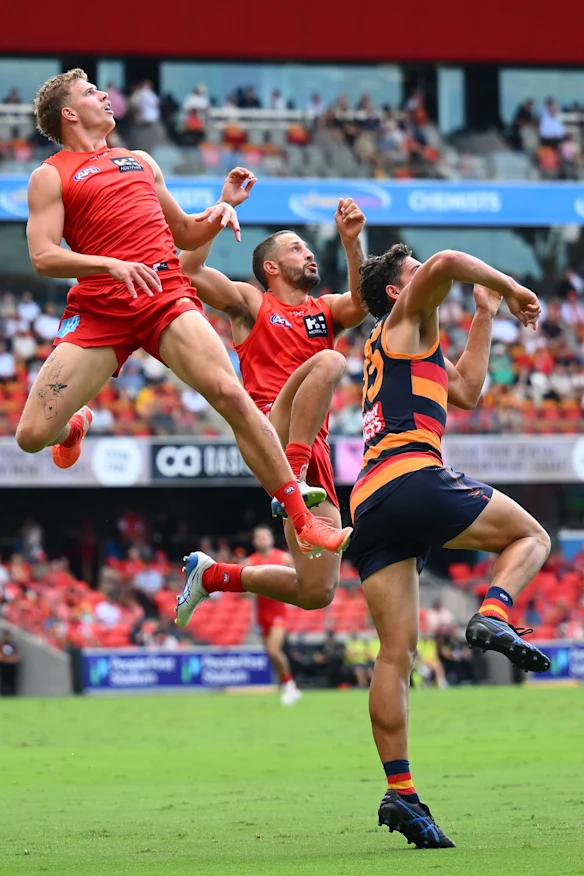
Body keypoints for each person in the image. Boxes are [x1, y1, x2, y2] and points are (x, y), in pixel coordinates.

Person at [15, 68, 350, 564]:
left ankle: (301, 517)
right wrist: (109, 263)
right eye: (90, 93)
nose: (105, 95)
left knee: (231, 396)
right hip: (102, 309)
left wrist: (220, 208)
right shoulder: (51, 174)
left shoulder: (141, 161)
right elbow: (43, 256)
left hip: (164, 295)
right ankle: (74, 425)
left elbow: (187, 235)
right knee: (31, 437)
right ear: (68, 113)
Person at [351, 243, 551, 849]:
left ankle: (402, 794)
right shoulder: (404, 317)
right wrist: (513, 287)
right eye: (408, 276)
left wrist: (486, 313)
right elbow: (442, 262)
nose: (424, 280)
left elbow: (465, 390)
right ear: (396, 292)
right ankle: (493, 614)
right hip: (411, 474)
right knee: (531, 536)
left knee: (395, 655)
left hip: (370, 501)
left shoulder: (408, 343)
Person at [175, 194, 366, 625]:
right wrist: (213, 219)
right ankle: (293, 480)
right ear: (272, 268)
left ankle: (213, 576)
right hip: (269, 427)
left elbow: (363, 302)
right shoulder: (253, 301)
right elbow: (187, 271)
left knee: (317, 590)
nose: (309, 253)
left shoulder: (326, 309)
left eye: (309, 247)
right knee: (333, 360)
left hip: (313, 442)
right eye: (297, 248)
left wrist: (351, 242)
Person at [245, 525, 301, 706]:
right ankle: (286, 683)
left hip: (279, 612)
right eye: (258, 537)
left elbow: (297, 580)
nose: (262, 540)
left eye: (265, 536)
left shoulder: (283, 558)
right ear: (254, 541)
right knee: (271, 654)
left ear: (271, 538)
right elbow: (242, 591)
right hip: (261, 614)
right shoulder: (250, 562)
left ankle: (290, 685)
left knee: (273, 650)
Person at [0, 630, 21, 695]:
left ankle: (12, 695)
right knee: (4, 681)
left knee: (12, 682)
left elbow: (17, 656)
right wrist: (6, 659)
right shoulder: (2, 644)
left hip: (12, 666)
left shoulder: (12, 645)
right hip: (4, 665)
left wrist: (11, 659)